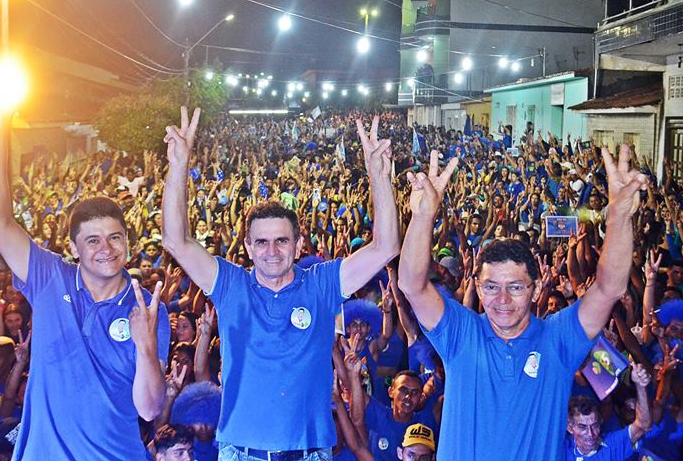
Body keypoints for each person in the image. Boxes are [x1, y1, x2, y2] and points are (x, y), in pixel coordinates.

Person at [162, 108, 400, 460]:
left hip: (308, 452)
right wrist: (179, 163)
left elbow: (386, 247)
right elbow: (175, 240)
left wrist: (379, 175)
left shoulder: (321, 284)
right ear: (247, 247)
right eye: (261, 242)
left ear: (299, 245)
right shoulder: (230, 284)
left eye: (282, 241)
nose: (271, 251)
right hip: (242, 452)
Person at [398, 145, 647, 461]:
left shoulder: (558, 339)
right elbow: (411, 285)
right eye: (491, 287)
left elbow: (609, 287)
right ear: (476, 285)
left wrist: (620, 214)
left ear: (537, 286)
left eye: (515, 287)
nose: (501, 300)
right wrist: (422, 217)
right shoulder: (461, 332)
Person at [0, 109, 169, 460]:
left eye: (115, 238)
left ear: (127, 242)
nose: (106, 249)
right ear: (73, 247)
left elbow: (149, 408)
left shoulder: (147, 309)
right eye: (93, 240)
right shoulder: (49, 276)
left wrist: (145, 346)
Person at [562, 363, 653, 460]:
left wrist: (640, 386)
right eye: (582, 427)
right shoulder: (560, 450)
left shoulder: (611, 445)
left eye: (594, 425)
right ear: (570, 427)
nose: (590, 434)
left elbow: (643, 425)